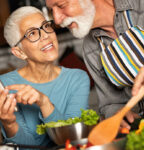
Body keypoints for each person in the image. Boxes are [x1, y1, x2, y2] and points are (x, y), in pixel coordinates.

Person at [46, 0, 144, 130]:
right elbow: (111, 102)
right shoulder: (91, 47)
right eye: (51, 10)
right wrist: (115, 112)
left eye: (61, 6)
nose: (56, 20)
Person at [0, 6, 90, 147]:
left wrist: (44, 103)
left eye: (46, 26)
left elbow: (71, 141)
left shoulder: (77, 78)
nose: (45, 35)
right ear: (19, 52)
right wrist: (9, 123)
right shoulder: (5, 85)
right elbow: (25, 148)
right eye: (32, 33)